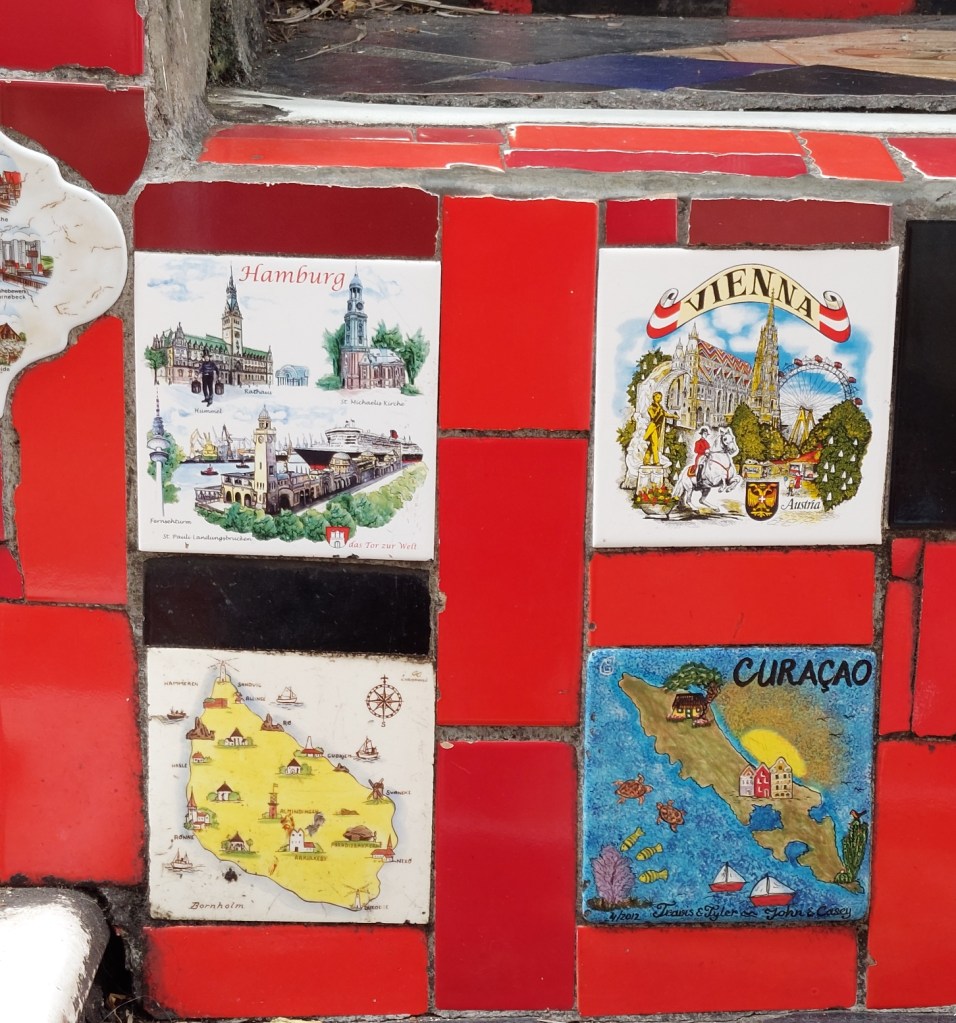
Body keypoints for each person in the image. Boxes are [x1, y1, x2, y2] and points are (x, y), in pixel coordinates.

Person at [642, 391, 675, 466]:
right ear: (654, 398)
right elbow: (653, 417)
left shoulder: (660, 407)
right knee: (655, 444)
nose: (659, 399)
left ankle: (646, 460)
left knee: (652, 445)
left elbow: (664, 414)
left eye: (660, 398)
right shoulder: (651, 408)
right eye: (657, 397)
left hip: (658, 428)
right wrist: (658, 410)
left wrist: (673, 416)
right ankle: (656, 461)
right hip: (653, 427)